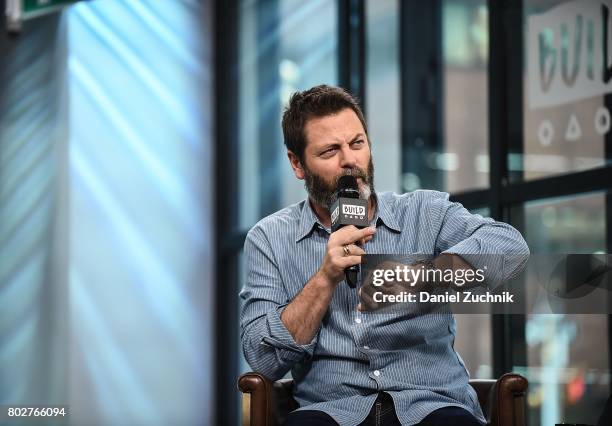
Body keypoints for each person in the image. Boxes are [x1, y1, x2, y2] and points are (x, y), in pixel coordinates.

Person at [239, 84, 529, 426]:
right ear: (298, 164)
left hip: (431, 403)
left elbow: (510, 246)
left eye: (357, 143)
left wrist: (418, 278)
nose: (350, 160)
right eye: (330, 151)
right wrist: (325, 279)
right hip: (331, 410)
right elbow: (262, 358)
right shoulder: (269, 238)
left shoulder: (425, 211)